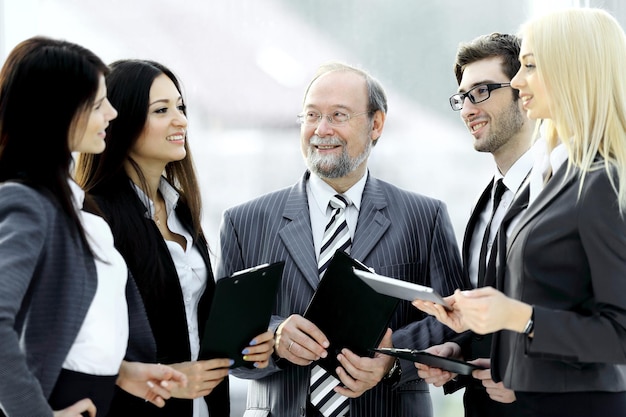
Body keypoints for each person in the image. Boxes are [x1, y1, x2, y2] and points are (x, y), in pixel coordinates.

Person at [215, 61, 466, 417]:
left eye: (338, 115)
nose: (321, 129)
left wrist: (393, 358)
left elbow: (455, 321)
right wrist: (273, 338)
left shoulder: (424, 217)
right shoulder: (244, 222)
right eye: (311, 116)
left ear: (376, 124)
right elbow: (223, 343)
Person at [415, 8, 626, 417]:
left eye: (530, 66)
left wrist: (516, 316)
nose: (518, 80)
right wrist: (481, 342)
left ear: (572, 71)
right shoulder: (558, 175)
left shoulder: (602, 180)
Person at [75, 59, 275, 417]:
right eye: (162, 110)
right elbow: (80, 338)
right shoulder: (95, 216)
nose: (181, 120)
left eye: (180, 107)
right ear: (120, 120)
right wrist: (163, 377)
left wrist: (248, 345)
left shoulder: (181, 210)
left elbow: (191, 317)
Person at [0, 37, 185, 417]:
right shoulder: (27, 201)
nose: (113, 114)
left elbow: (76, 325)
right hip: (58, 400)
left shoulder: (71, 203)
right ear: (61, 111)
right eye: (99, 104)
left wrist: (121, 372)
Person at [415, 33, 533, 417]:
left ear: (523, 91)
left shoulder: (570, 190)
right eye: (462, 97)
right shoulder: (484, 206)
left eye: (482, 91)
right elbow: (493, 318)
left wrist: (536, 380)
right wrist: (458, 350)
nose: (468, 108)